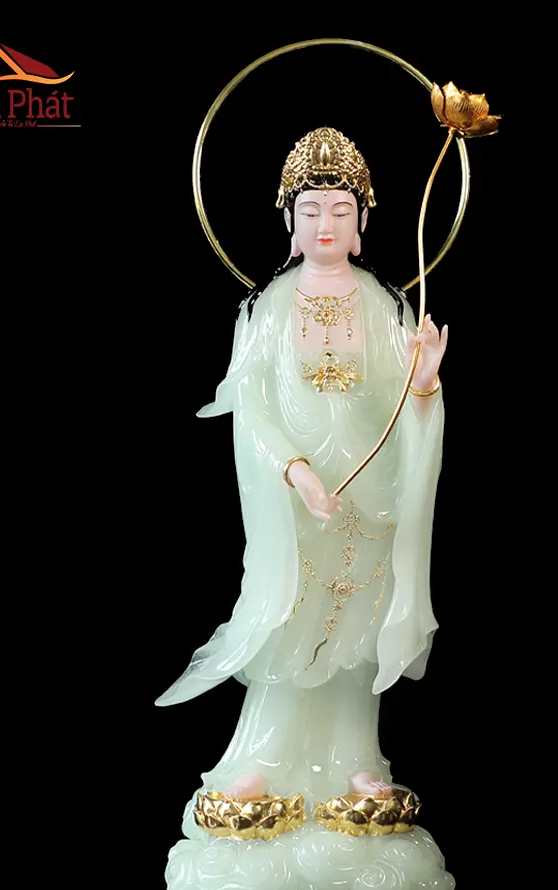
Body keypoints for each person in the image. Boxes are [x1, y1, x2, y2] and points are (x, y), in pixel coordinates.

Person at [157, 126, 448, 827]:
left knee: (357, 629)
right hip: (297, 498)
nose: (326, 224)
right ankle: (261, 756)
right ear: (288, 219)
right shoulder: (268, 308)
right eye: (311, 209)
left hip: (369, 492)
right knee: (288, 621)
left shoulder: (385, 305)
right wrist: (294, 471)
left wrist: (425, 387)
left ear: (363, 222)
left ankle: (357, 758)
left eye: (341, 211)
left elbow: (403, 400)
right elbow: (249, 408)